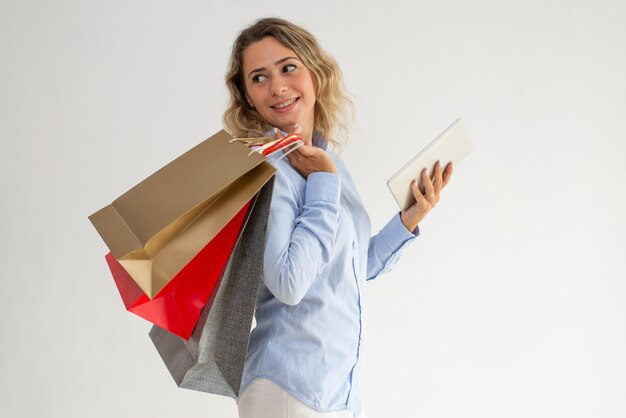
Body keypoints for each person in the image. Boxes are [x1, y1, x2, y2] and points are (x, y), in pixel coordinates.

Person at [223, 17, 453, 418]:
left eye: (288, 67)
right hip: (287, 390)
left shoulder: (330, 163)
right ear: (248, 97)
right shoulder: (266, 171)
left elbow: (346, 267)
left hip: (336, 393)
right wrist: (323, 185)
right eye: (259, 78)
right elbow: (290, 282)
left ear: (315, 73)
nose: (277, 86)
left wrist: (407, 222)